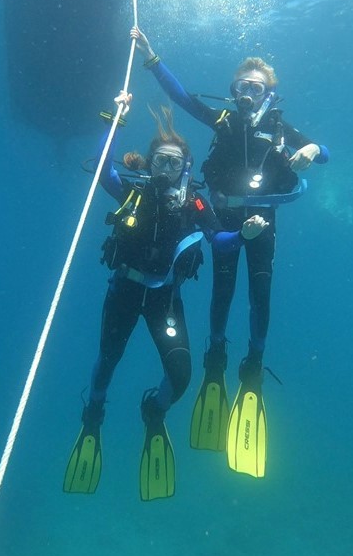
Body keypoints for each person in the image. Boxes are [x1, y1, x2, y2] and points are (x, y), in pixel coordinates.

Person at [130, 26, 329, 478]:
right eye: (240, 88)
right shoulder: (223, 122)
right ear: (233, 92)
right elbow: (184, 101)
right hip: (223, 220)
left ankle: (253, 363)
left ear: (268, 93)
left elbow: (325, 154)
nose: (245, 95)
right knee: (223, 291)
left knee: (261, 295)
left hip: (264, 221)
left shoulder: (281, 129)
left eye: (254, 89)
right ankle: (215, 355)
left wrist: (312, 148)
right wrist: (152, 58)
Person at [63, 92, 267, 499]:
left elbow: (221, 242)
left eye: (174, 162)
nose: (166, 168)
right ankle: (94, 416)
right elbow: (104, 168)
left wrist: (243, 235)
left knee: (181, 375)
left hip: (164, 300)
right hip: (124, 291)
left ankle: (154, 410)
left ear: (184, 168)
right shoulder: (134, 193)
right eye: (160, 161)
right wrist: (115, 122)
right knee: (108, 362)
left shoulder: (194, 203)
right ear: (151, 163)